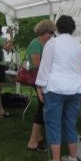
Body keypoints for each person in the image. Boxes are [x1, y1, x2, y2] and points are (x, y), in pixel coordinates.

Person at [36, 15, 81, 161]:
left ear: (57, 28)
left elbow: (45, 68)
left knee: (53, 124)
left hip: (55, 89)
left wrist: (39, 87)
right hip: (75, 90)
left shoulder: (52, 43)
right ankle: (73, 159)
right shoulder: (79, 45)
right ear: (73, 29)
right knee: (71, 123)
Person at [26, 19, 57, 150]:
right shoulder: (35, 43)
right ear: (43, 32)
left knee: (43, 107)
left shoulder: (48, 43)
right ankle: (32, 141)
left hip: (45, 80)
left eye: (52, 32)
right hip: (39, 80)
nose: (51, 35)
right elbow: (36, 65)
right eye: (49, 32)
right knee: (41, 108)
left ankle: (38, 136)